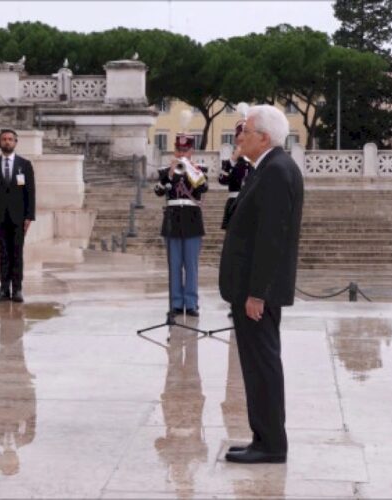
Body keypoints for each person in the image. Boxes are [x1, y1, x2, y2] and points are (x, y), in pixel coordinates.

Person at [219, 104, 304, 464]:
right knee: (257, 365)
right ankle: (263, 437)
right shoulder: (266, 167)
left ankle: (270, 444)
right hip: (251, 288)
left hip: (257, 292)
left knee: (262, 364)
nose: (240, 136)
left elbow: (272, 238)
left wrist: (257, 293)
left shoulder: (275, 171)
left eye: (246, 131)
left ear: (264, 137)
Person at [154, 133, 208, 317]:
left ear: (192, 150)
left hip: (192, 219)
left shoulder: (199, 169)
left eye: (185, 150)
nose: (182, 153)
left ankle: (191, 303)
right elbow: (158, 192)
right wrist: (170, 174)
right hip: (173, 220)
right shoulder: (165, 170)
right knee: (174, 264)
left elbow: (203, 188)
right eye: (179, 149)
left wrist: (192, 170)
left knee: (191, 265)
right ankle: (176, 303)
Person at [0, 129, 36, 303]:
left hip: (19, 217)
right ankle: (4, 289)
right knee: (3, 253)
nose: (7, 142)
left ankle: (18, 289)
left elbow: (30, 192)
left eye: (10, 139)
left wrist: (29, 216)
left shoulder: (25, 165)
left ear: (15, 142)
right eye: (4, 139)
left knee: (17, 253)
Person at [218, 127, 251, 230]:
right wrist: (232, 161)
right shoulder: (229, 163)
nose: (242, 144)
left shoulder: (255, 161)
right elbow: (222, 180)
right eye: (240, 141)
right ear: (236, 142)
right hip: (234, 202)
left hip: (251, 201)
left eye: (244, 141)